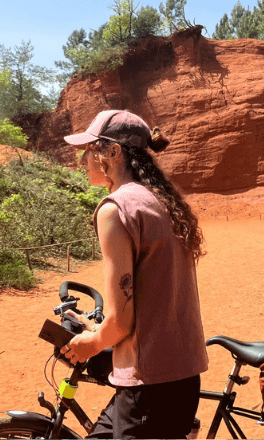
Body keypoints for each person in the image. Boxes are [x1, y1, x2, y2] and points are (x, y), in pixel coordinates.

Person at [59, 109, 209, 439]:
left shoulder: (115, 209)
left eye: (89, 150)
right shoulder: (164, 201)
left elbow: (121, 322)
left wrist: (92, 343)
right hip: (183, 374)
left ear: (112, 152)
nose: (83, 160)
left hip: (147, 382)